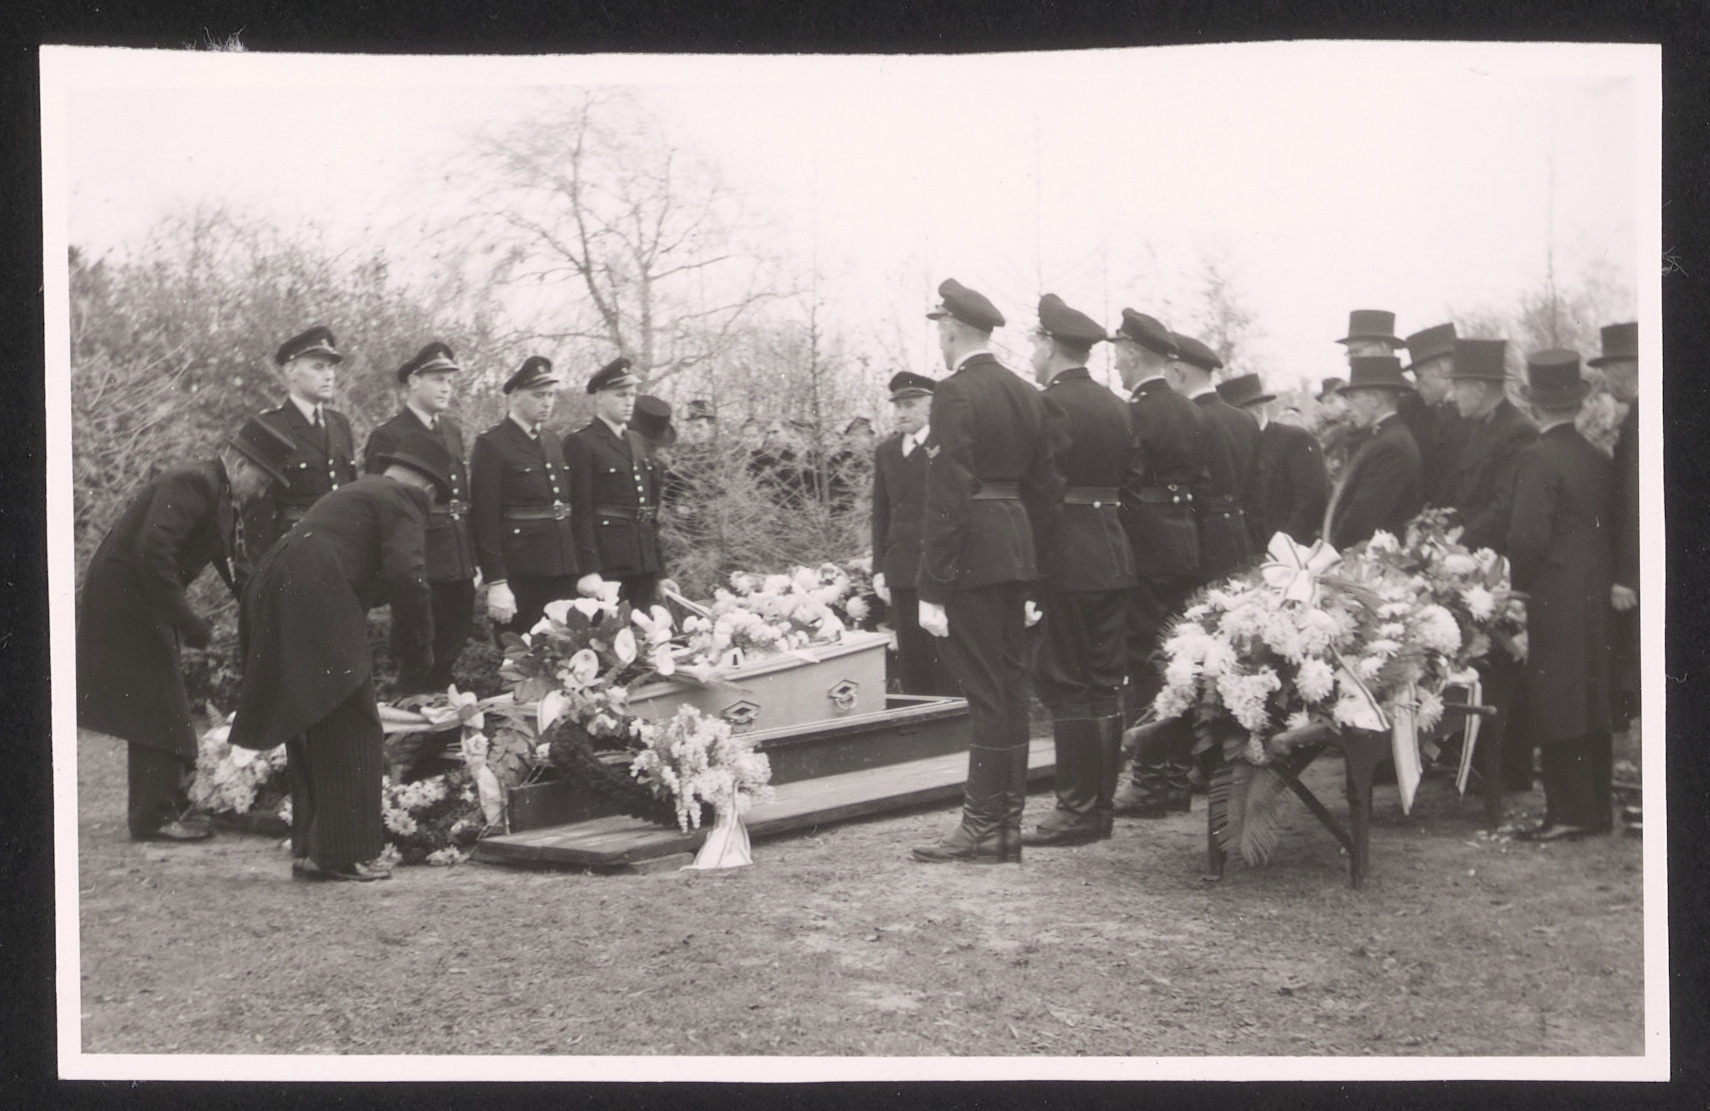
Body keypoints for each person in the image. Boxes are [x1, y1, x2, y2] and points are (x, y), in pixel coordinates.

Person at [228, 446, 451, 881]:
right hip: (313, 590)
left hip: (274, 582)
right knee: (354, 722)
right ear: (426, 490)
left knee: (311, 718)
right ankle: (339, 854)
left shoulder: (359, 491)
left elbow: (370, 570)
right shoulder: (405, 497)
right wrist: (418, 649)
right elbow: (407, 575)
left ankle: (311, 850)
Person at [77, 418, 296, 842]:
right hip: (126, 600)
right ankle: (154, 818)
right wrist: (186, 620)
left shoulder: (221, 495)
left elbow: (237, 570)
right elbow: (153, 552)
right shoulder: (194, 482)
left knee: (162, 703)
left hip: (144, 599)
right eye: (263, 479)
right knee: (161, 704)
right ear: (239, 464)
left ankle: (168, 807)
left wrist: (271, 609)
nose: (263, 491)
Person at [911, 279, 1056, 864]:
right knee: (1010, 691)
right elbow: (1044, 489)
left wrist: (932, 585)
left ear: (952, 330)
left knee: (984, 692)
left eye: (941, 331)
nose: (940, 342)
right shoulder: (1026, 392)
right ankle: (1004, 826)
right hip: (1016, 550)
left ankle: (981, 826)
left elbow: (948, 492)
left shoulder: (955, 392)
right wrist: (1035, 572)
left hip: (973, 555)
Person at [1021, 294, 1134, 847]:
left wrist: (1030, 568)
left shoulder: (1046, 406)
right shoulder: (1117, 405)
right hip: (1113, 553)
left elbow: (1040, 493)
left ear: (1048, 345)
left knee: (1066, 683)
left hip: (1066, 558)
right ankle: (1099, 808)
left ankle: (1075, 809)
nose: (1032, 356)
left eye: (1034, 345)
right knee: (1105, 685)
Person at [1507, 349, 1614, 841]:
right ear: (1577, 402)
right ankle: (1594, 810)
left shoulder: (1537, 456)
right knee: (1589, 698)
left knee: (1557, 699)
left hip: (1554, 590)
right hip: (1594, 590)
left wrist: (1517, 585)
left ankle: (1568, 813)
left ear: (1534, 404)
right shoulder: (1596, 455)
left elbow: (1528, 535)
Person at [1109, 308, 1207, 818]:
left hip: (1145, 545)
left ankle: (1149, 778)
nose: (1116, 365)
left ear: (1132, 353)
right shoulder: (1190, 410)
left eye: (1118, 354)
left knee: (1145, 660)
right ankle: (1174, 776)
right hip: (1184, 540)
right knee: (1179, 658)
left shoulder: (1135, 414)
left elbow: (1125, 481)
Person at [1443, 337, 1538, 790]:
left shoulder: (1517, 431)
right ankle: (1484, 763)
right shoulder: (1481, 426)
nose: (1453, 395)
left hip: (1503, 562)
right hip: (1478, 559)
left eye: (1459, 385)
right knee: (1484, 660)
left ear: (1480, 387)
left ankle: (1510, 771)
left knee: (1505, 664)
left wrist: (1461, 541)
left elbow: (1505, 504)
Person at [362, 341, 478, 694]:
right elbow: (381, 507)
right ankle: (409, 721)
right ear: (414, 381)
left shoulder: (452, 431)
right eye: (438, 379)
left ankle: (441, 723)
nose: (446, 388)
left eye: (450, 381)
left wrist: (472, 559)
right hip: (420, 560)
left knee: (449, 655)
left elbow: (461, 498)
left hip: (457, 559)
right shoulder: (389, 435)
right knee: (418, 660)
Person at [470, 356, 602, 635]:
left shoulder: (552, 441)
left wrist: (583, 566)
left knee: (565, 648)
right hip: (522, 573)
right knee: (521, 651)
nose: (547, 402)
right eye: (539, 395)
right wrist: (497, 582)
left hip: (562, 568)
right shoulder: (492, 444)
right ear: (515, 397)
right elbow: (484, 519)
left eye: (551, 395)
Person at [870, 370, 958, 697]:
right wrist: (879, 568)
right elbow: (880, 514)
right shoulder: (887, 451)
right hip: (901, 567)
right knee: (911, 658)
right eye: (897, 406)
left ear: (930, 406)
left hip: (937, 566)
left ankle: (953, 718)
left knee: (944, 655)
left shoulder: (946, 446)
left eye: (910, 405)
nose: (901, 413)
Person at [244, 326, 359, 568]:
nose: (329, 376)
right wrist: (264, 574)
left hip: (343, 553)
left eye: (331, 367)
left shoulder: (339, 424)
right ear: (290, 371)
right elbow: (256, 518)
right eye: (318, 367)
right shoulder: (269, 427)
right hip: (294, 557)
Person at [568, 358, 665, 611]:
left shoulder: (637, 442)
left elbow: (650, 514)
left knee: (645, 629)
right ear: (600, 397)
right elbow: (579, 513)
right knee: (610, 632)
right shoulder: (582, 443)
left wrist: (661, 571)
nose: (629, 401)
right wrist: (588, 569)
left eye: (632, 394)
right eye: (621, 394)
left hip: (643, 561)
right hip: (608, 564)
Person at [1168, 332, 1259, 581]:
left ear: (1178, 373)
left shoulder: (1185, 419)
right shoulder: (1244, 419)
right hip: (1241, 534)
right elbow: (1256, 488)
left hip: (1200, 540)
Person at [1590, 322, 1639, 736]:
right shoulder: (1640, 412)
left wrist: (1626, 575)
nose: (1606, 381)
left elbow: (1637, 504)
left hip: (1633, 571)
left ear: (1628, 368)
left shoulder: (1642, 417)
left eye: (1609, 371)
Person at [1323, 356, 1424, 549]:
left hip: (1375, 555)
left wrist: (1332, 549)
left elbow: (1363, 514)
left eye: (1353, 397)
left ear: (1376, 400)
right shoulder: (1384, 436)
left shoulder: (1392, 445)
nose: (1349, 406)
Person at [1217, 372, 1327, 546]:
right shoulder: (1231, 447)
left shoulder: (1295, 439)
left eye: (1236, 414)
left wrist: (1283, 546)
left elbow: (1311, 501)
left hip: (1289, 550)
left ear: (1259, 409)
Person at [1401, 323, 1467, 508]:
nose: (1416, 385)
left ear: (1443, 370)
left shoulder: (1469, 416)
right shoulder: (1429, 412)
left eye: (1419, 376)